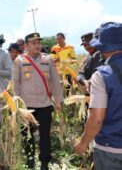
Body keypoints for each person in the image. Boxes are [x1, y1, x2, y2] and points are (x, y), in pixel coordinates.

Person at [74, 22, 122, 170]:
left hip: (111, 150)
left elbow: (97, 119)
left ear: (103, 47)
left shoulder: (102, 75)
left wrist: (82, 144)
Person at [12, 32, 63, 170]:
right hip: (26, 107)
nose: (37, 45)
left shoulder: (48, 60)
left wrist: (58, 100)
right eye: (33, 43)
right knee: (27, 136)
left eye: (38, 43)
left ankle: (45, 163)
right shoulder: (19, 61)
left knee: (45, 135)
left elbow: (55, 81)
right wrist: (16, 103)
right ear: (27, 45)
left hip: (44, 104)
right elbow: (15, 83)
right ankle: (30, 162)